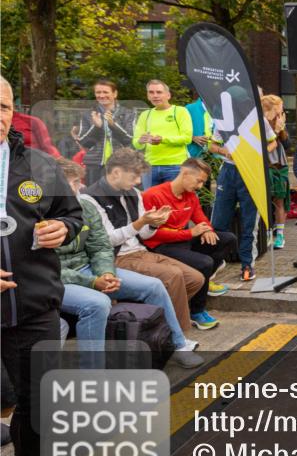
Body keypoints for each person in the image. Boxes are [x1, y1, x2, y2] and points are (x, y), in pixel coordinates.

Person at [0, 77, 82, 456]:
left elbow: (71, 215)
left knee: (39, 394)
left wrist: (63, 229)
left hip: (34, 304)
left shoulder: (38, 164)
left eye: (4, 106)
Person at [55, 159, 203, 369]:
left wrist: (105, 272)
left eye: (78, 181)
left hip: (95, 267)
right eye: (73, 183)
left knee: (154, 285)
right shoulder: (42, 213)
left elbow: (101, 246)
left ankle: (178, 345)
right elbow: (49, 267)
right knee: (97, 303)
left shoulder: (85, 205)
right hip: (59, 278)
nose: (79, 187)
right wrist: (93, 281)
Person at [83, 148, 205, 335]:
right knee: (173, 276)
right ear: (116, 172)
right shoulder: (90, 197)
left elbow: (146, 235)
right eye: (135, 176)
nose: (139, 181)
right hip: (116, 258)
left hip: (141, 252)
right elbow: (107, 240)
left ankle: (155, 322)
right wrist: (141, 222)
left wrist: (155, 223)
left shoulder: (134, 193)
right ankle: (178, 336)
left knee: (196, 279)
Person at [141, 158, 236, 330]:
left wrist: (207, 229)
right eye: (199, 181)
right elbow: (150, 236)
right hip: (161, 247)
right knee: (204, 263)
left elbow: (201, 218)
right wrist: (190, 233)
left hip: (182, 241)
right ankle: (197, 311)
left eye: (203, 182)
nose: (200, 186)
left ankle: (203, 282)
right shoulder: (152, 195)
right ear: (185, 174)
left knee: (228, 239)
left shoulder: (191, 196)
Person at [209, 120, 269, 282]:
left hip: (250, 171)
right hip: (228, 171)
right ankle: (215, 262)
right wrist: (224, 151)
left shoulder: (257, 119)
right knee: (218, 222)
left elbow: (273, 143)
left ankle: (247, 264)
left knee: (249, 224)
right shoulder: (223, 119)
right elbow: (211, 146)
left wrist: (256, 155)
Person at [75, 78, 137, 186]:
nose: (102, 95)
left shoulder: (129, 113)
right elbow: (84, 142)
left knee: (117, 196)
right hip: (94, 164)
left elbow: (129, 139)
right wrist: (97, 127)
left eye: (105, 92)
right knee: (94, 197)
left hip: (120, 163)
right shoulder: (88, 114)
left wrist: (113, 124)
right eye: (98, 92)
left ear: (115, 94)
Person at [133, 79, 193, 188]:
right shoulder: (145, 115)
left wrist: (162, 139)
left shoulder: (180, 111)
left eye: (159, 92)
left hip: (175, 166)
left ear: (168, 95)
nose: (155, 95)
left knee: (173, 202)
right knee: (151, 203)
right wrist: (140, 141)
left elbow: (187, 138)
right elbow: (136, 142)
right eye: (151, 92)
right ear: (148, 96)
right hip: (149, 167)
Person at [261, 95, 290, 249]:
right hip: (264, 164)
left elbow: (287, 144)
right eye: (279, 106)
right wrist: (275, 130)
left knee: (279, 200)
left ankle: (280, 235)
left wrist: (280, 129)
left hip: (279, 164)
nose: (282, 109)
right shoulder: (259, 122)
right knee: (265, 201)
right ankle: (265, 234)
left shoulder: (280, 120)